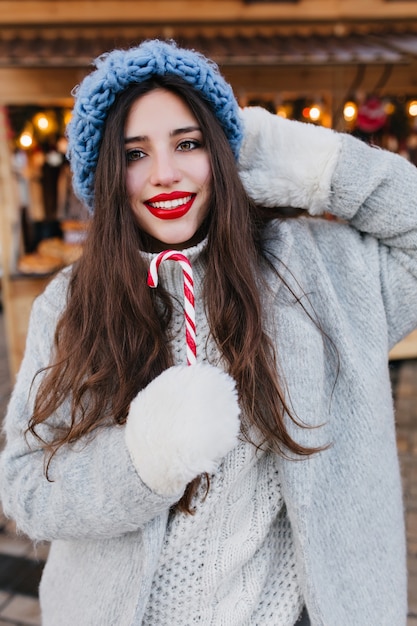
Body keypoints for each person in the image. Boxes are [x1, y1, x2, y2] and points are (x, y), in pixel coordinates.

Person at [0, 39, 416, 626]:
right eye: (135, 153)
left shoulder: (316, 273)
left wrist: (327, 167)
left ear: (221, 154)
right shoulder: (72, 303)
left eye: (188, 144)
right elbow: (26, 488)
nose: (164, 174)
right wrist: (141, 462)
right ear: (108, 174)